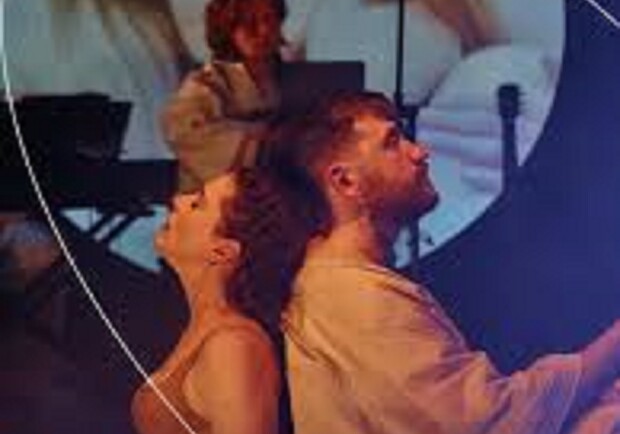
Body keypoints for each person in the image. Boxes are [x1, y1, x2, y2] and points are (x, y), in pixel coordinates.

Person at [262, 91, 620, 434]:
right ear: (346, 181)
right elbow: (488, 423)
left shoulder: (338, 285)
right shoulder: (353, 295)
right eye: (392, 142)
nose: (420, 152)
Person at [131, 169, 307, 434]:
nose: (178, 200)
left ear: (222, 250)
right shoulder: (211, 330)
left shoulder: (234, 346)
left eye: (198, 204)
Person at [162, 0, 291, 193]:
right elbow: (182, 131)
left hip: (281, 196)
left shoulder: (294, 79)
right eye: (249, 21)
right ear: (227, 28)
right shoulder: (205, 85)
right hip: (217, 202)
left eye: (269, 19)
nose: (263, 30)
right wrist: (260, 144)